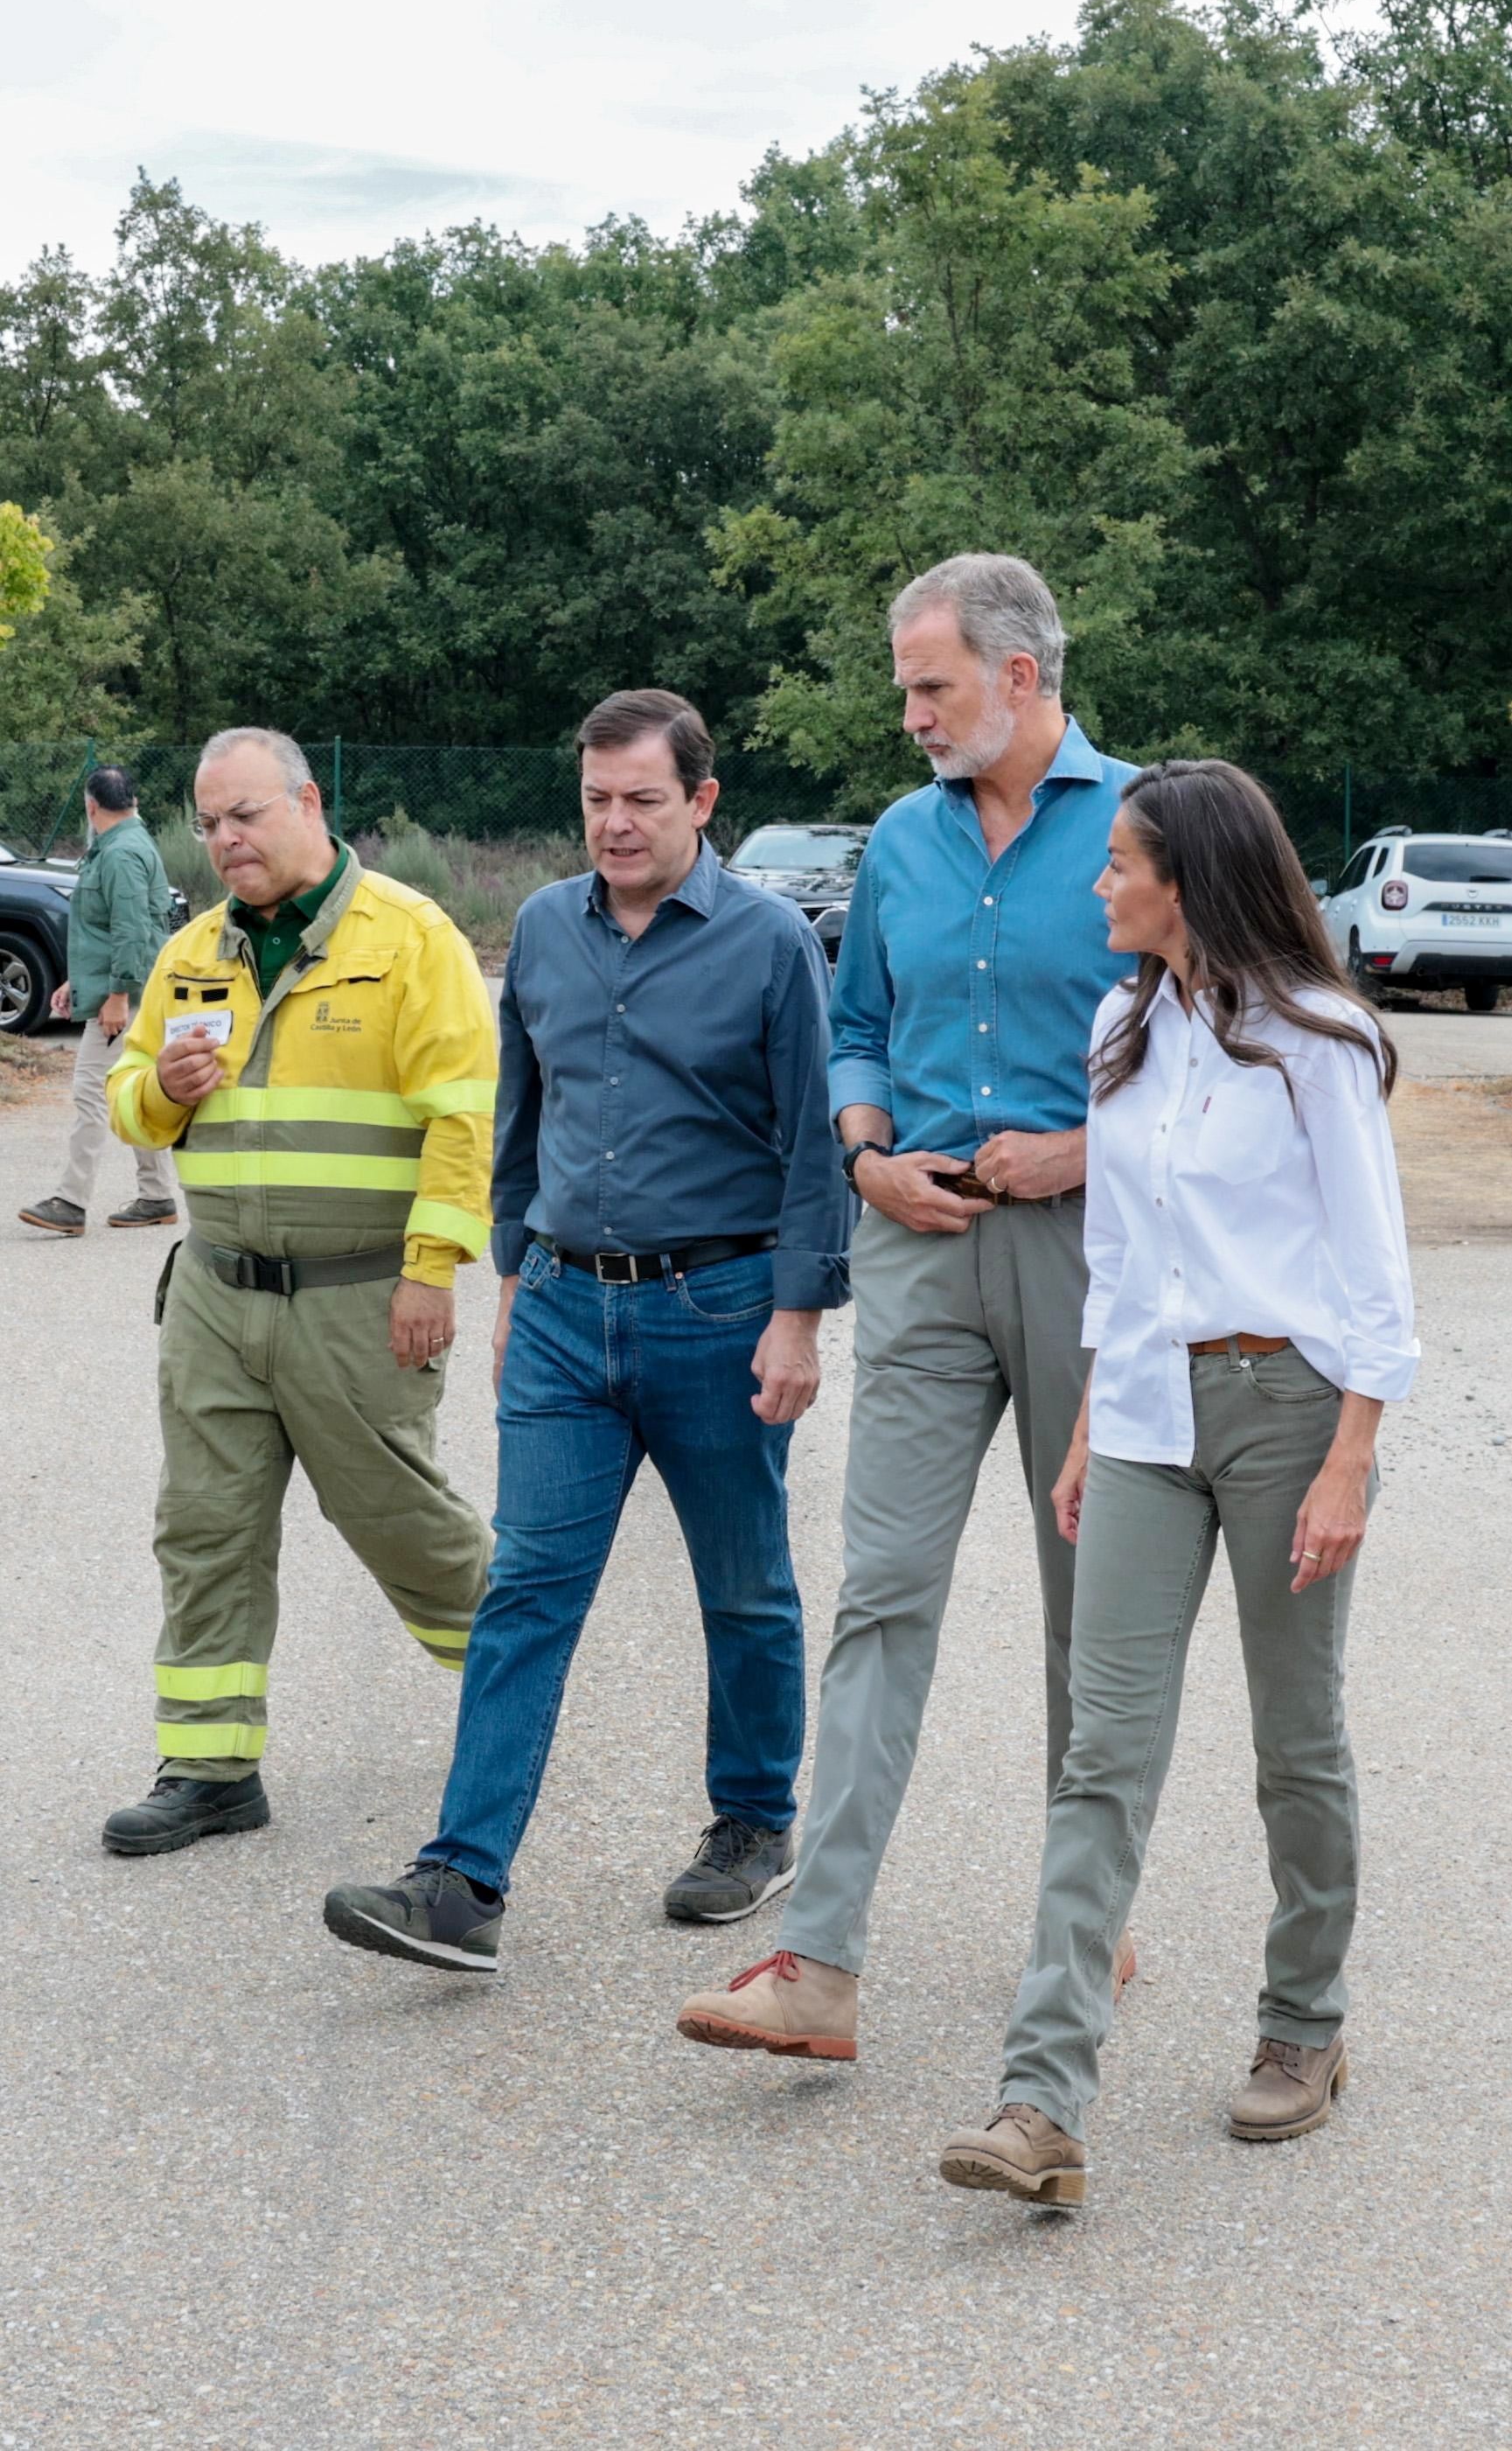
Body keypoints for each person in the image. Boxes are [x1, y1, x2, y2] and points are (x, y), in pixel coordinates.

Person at [678, 553, 1138, 2067]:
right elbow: (856, 1021)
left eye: (926, 687)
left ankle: (1087, 1909)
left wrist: (1090, 1143)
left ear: (1017, 677)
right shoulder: (897, 840)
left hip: (1091, 1255)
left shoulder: (1148, 826)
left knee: (1090, 1608)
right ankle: (818, 1961)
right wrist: (865, 1153)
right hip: (924, 1254)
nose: (908, 717)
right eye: (902, 689)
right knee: (880, 1595)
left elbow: (1216, 1039)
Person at [937, 759, 1417, 2208]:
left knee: (1292, 1737)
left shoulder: (1319, 1039)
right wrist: (1084, 1425)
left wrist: (1349, 1457)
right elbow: (1118, 1261)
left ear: (1184, 882)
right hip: (1143, 1414)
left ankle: (1300, 2027)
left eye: (1116, 865)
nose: (1096, 885)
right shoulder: (1118, 1024)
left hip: (1286, 1405)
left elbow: (1373, 1272)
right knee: (1103, 1750)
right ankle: (1038, 2103)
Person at [321, 686, 851, 1973]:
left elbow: (810, 1151)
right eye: (596, 801)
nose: (614, 825)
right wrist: (514, 1283)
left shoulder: (773, 944)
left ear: (703, 802)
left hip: (713, 1314)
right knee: (526, 1592)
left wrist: (797, 1321)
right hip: (562, 1312)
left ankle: (750, 1826)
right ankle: (461, 1882)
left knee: (745, 1590)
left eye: (642, 802)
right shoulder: (549, 931)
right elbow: (522, 1124)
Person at [100, 726, 496, 1857]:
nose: (225, 840)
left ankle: (514, 1692)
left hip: (360, 1299)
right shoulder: (193, 954)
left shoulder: (410, 940)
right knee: (204, 1526)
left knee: (402, 1522)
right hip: (217, 1297)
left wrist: (432, 1272)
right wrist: (162, 1091)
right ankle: (211, 1768)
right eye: (210, 823)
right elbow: (129, 1095)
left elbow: (463, 1121)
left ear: (310, 803)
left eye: (247, 816)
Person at [19, 766, 178, 1237]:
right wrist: (76, 982)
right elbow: (105, 930)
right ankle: (156, 1195)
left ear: (92, 805)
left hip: (124, 999)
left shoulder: (122, 853)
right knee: (135, 1093)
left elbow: (132, 932)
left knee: (91, 1094)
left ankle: (70, 1201)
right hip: (124, 993)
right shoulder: (119, 847)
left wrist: (117, 997)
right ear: (131, 800)